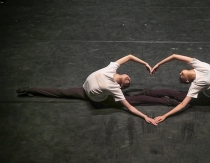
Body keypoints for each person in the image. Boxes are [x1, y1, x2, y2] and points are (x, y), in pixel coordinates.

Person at [16, 54, 170, 126]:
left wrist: (145, 117)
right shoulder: (111, 70)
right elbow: (129, 56)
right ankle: (30, 89)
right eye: (129, 79)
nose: (129, 78)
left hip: (90, 93)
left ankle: (164, 101)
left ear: (122, 86)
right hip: (88, 94)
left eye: (128, 82)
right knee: (60, 92)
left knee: (131, 101)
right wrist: (145, 64)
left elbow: (129, 108)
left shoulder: (114, 85)